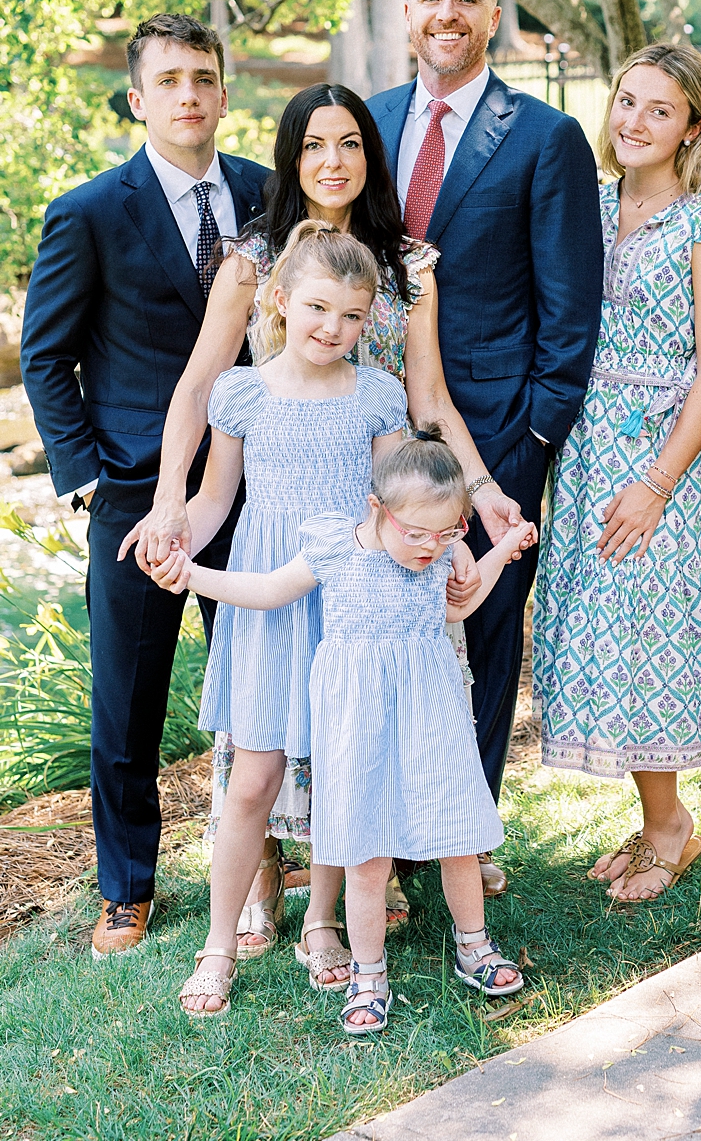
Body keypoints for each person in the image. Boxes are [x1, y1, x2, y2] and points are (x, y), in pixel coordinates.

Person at [124, 80, 508, 938]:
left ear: (370, 157)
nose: (331, 162)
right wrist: (169, 507)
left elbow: (429, 400)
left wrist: (479, 497)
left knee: (359, 723)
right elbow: (201, 390)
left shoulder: (407, 264)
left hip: (371, 527)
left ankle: (362, 885)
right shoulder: (254, 261)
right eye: (312, 145)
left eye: (350, 144)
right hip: (275, 532)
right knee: (264, 733)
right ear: (290, 157)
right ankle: (260, 886)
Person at [20, 12, 267, 960]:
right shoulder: (89, 210)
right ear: (138, 98)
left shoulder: (264, 193)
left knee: (260, 684)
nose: (189, 95)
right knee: (127, 701)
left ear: (222, 91)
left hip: (250, 480)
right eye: (168, 82)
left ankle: (266, 868)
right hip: (132, 493)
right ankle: (127, 888)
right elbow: (46, 359)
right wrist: (85, 482)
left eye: (202, 77)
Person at [151, 432, 536, 1033]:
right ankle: (368, 974)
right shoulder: (336, 548)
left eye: (447, 534)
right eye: (417, 533)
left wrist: (503, 545)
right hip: (358, 727)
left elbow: (459, 606)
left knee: (457, 835)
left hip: (430, 717)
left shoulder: (435, 557)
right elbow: (268, 590)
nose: (432, 548)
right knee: (366, 852)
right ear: (379, 508)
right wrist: (193, 576)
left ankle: (475, 946)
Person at [366, 0, 603, 884]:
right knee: (383, 623)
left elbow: (569, 305)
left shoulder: (545, 136)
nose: (447, 15)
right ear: (409, 13)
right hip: (381, 420)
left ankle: (467, 832)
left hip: (498, 425)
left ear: (494, 16)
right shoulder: (367, 125)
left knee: (487, 631)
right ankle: (384, 830)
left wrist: (537, 436)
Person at [165, 223, 414, 1014]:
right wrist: (178, 543)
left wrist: (444, 556)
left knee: (343, 771)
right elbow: (214, 501)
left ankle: (323, 921)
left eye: (350, 315)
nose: (332, 329)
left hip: (352, 602)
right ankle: (216, 944)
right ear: (277, 300)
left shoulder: (377, 394)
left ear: (369, 319)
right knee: (255, 779)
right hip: (269, 603)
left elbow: (397, 503)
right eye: (316, 308)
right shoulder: (242, 394)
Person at [534, 43, 701, 902]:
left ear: (692, 127)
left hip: (656, 450)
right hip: (583, 449)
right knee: (600, 636)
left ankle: (671, 828)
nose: (636, 122)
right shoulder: (580, 205)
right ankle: (655, 817)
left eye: (660, 110)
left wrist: (658, 483)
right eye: (627, 101)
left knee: (651, 631)